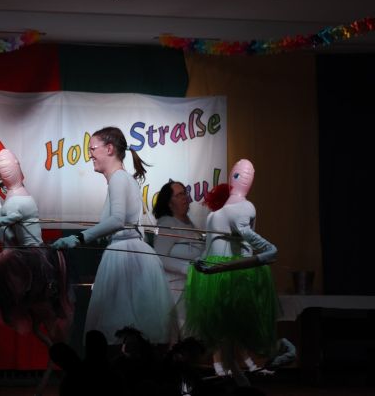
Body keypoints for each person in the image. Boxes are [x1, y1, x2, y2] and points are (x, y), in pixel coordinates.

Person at [0, 148, 74, 395]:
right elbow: (5, 229)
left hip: (32, 262)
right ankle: (57, 361)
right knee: (36, 320)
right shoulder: (12, 199)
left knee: (46, 315)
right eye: (1, 168)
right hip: (18, 260)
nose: (4, 171)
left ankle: (64, 367)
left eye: (6, 167)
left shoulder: (21, 200)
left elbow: (7, 224)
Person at [52, 126, 174, 345]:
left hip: (125, 256)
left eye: (92, 149)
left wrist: (79, 238)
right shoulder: (121, 179)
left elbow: (117, 220)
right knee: (127, 328)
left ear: (109, 149)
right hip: (128, 252)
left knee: (121, 328)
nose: (90, 154)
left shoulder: (118, 178)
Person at [184, 159, 279, 386]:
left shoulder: (243, 209)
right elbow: (210, 246)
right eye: (240, 174)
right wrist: (200, 261)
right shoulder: (223, 212)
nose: (243, 177)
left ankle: (238, 377)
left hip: (233, 276)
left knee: (230, 332)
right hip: (216, 275)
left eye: (245, 175)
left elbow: (267, 250)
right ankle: (234, 377)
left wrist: (232, 265)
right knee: (223, 333)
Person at [152, 180, 204, 328]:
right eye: (179, 195)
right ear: (169, 203)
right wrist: (187, 268)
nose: (184, 197)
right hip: (175, 290)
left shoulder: (190, 223)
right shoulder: (167, 223)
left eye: (184, 193)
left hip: (191, 286)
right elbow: (160, 257)